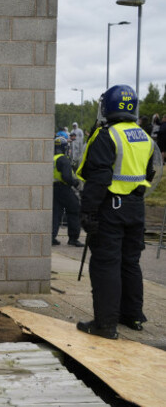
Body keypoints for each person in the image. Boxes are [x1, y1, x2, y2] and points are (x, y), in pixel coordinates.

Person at [76, 84, 157, 339]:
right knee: (130, 263)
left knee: (105, 265)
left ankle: (105, 324)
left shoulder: (106, 135)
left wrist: (88, 212)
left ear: (108, 106)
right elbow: (152, 172)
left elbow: (99, 177)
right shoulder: (144, 136)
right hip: (136, 207)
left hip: (111, 207)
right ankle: (132, 317)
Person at [52, 136, 84, 247]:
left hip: (53, 189)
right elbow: (66, 176)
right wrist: (75, 183)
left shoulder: (53, 159)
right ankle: (73, 238)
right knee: (74, 209)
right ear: (64, 147)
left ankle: (51, 237)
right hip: (64, 188)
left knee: (56, 213)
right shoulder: (63, 159)